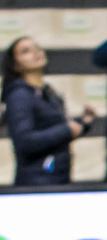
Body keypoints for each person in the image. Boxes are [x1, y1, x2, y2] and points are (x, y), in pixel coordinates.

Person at [4, 37, 93, 185]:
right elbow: (25, 141)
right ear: (16, 65)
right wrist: (66, 130)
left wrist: (83, 123)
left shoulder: (48, 92)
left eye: (37, 48)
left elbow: (55, 130)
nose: (36, 53)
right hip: (38, 183)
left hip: (58, 178)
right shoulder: (19, 96)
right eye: (26, 51)